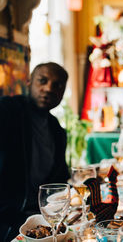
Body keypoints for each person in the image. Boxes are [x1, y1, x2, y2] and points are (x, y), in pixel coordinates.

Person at [0, 62, 70, 240]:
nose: (49, 88)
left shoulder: (57, 131)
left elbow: (60, 178)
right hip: (9, 217)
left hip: (42, 215)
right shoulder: (8, 111)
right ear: (29, 83)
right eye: (43, 81)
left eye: (57, 85)